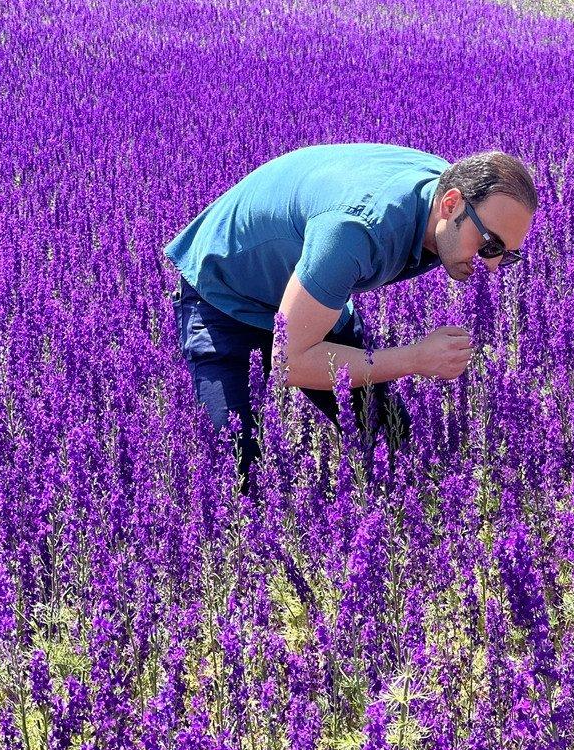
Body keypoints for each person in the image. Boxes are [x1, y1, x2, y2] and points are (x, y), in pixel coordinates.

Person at [164, 142, 538, 489]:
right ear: (450, 204)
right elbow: (289, 365)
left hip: (312, 290)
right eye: (489, 244)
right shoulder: (355, 232)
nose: (491, 265)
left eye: (507, 255)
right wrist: (415, 358)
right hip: (226, 294)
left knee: (393, 443)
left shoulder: (445, 204)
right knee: (238, 471)